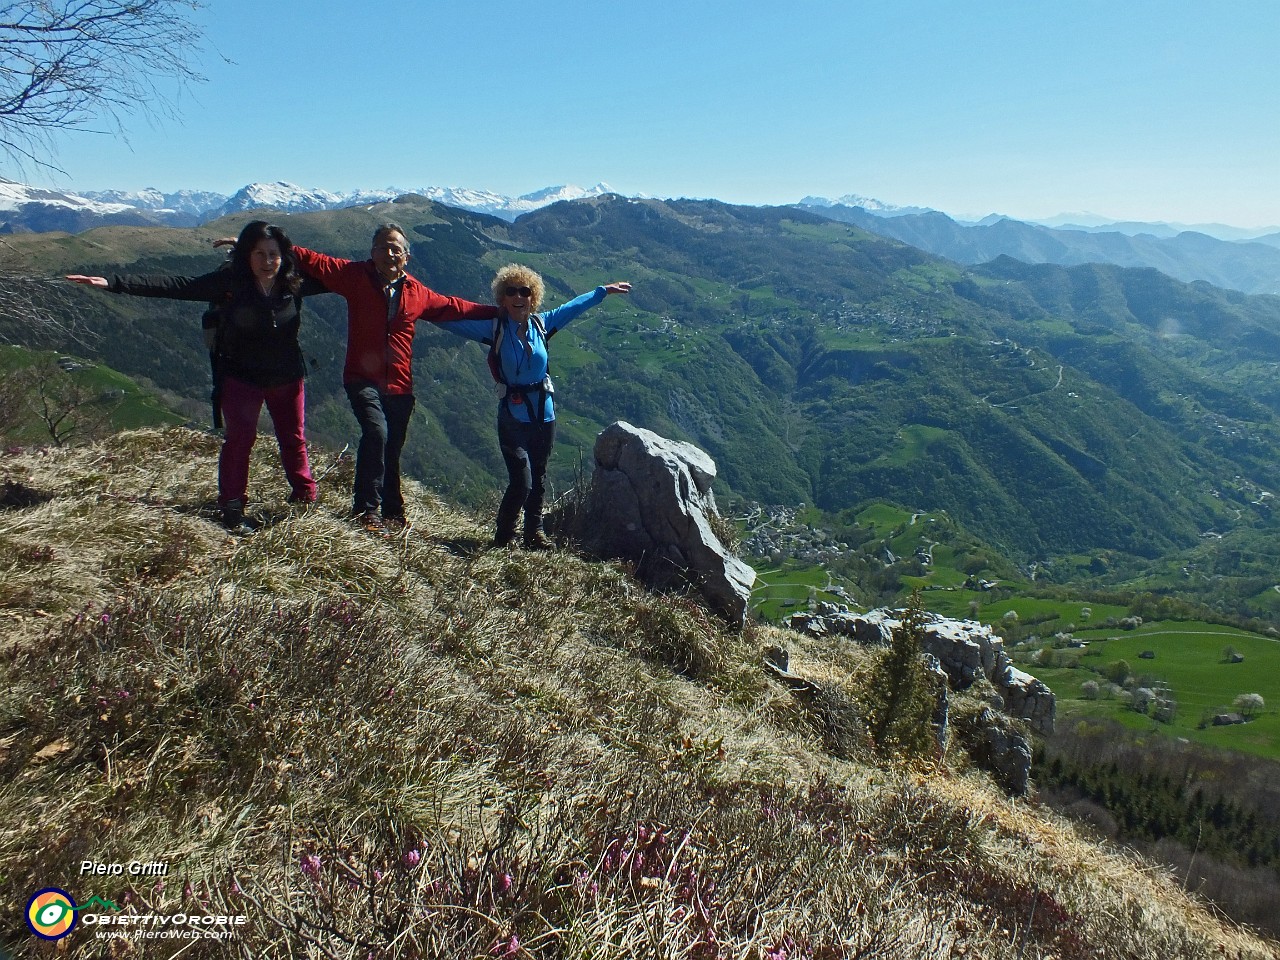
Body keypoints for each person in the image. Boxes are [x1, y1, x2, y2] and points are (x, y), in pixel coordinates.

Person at [67, 221, 326, 532]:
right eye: (259, 254)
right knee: (239, 441)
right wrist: (113, 282)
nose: (267, 262)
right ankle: (232, 506)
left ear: (285, 256)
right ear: (246, 255)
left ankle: (304, 497)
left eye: (274, 254)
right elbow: (177, 286)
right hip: (241, 377)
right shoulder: (230, 283)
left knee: (293, 438)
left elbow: (345, 277)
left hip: (287, 376)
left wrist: (382, 272)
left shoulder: (295, 282)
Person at [289, 224, 499, 532]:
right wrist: (256, 243)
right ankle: (365, 510)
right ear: (371, 253)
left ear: (407, 256)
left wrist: (500, 312)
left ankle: (392, 509)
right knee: (376, 434)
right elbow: (311, 259)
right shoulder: (354, 276)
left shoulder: (417, 292)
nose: (389, 253)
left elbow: (455, 307)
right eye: (383, 248)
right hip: (361, 378)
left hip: (400, 385)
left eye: (395, 249)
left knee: (391, 447)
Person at [439, 264, 631, 549]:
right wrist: (415, 308)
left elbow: (573, 307)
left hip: (544, 413)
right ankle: (503, 537)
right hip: (512, 417)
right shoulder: (494, 329)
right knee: (522, 481)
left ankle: (534, 533)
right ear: (502, 298)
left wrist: (602, 292)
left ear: (534, 297)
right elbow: (451, 320)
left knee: (538, 476)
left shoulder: (542, 324)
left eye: (525, 291)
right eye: (511, 291)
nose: (519, 297)